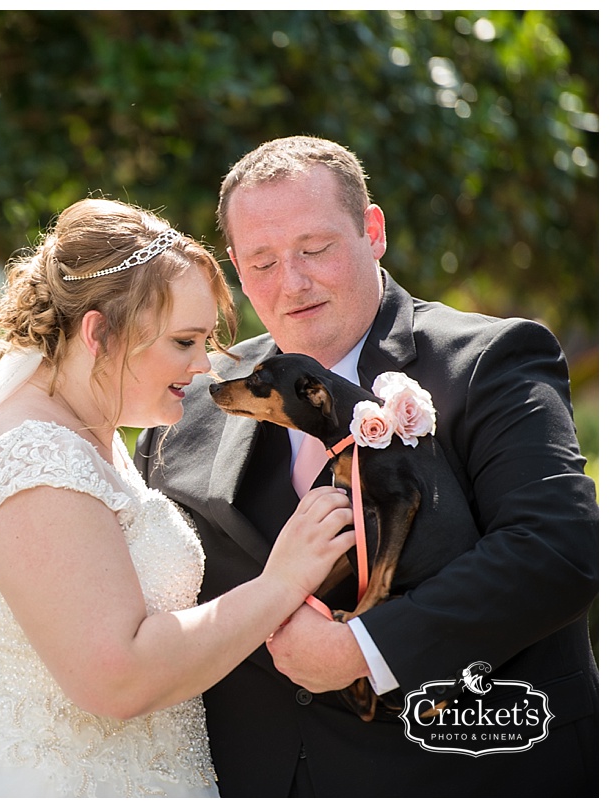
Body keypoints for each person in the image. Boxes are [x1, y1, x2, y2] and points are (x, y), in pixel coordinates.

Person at [0, 197, 356, 797]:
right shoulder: (39, 461)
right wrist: (280, 584)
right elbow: (117, 678)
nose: (205, 366)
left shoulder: (89, 440)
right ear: (99, 332)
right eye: (184, 341)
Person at [135, 135, 599, 797]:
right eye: (262, 261)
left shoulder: (491, 361)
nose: (291, 282)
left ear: (372, 230)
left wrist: (366, 650)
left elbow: (557, 551)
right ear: (235, 265)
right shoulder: (194, 402)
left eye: (314, 249)